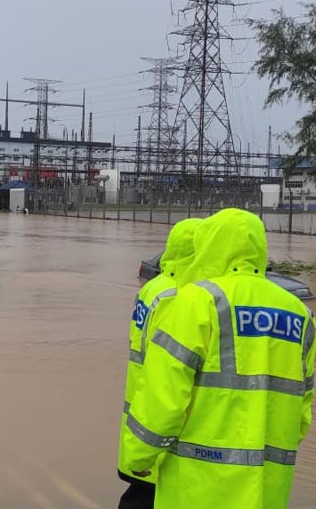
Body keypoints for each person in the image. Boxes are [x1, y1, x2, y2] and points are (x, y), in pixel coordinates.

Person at [121, 209, 316, 509]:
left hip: (198, 485)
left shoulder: (197, 301)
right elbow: (301, 410)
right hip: (267, 488)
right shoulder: (300, 314)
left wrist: (139, 456)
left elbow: (165, 396)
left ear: (209, 244)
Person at [117, 218, 201, 509]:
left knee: (137, 495)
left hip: (139, 410)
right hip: (162, 421)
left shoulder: (153, 289)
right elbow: (172, 372)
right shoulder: (181, 297)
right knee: (150, 496)